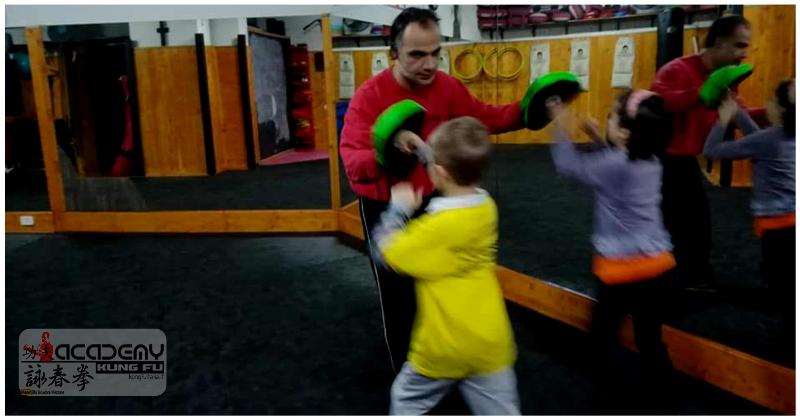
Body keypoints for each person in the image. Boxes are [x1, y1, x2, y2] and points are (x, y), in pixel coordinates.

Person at [339, 7, 523, 373]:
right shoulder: (370, 96)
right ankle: (408, 384)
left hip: (435, 198)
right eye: (417, 54)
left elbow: (482, 118)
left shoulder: (447, 86)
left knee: (439, 288)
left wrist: (528, 113)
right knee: (399, 299)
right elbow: (353, 164)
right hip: (387, 204)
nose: (429, 63)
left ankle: (444, 365)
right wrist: (389, 148)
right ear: (393, 54)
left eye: (435, 52)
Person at [371, 117, 519, 415]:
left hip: (444, 345)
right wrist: (426, 150)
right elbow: (452, 169)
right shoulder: (487, 208)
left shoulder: (434, 228)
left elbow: (385, 251)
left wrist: (398, 210)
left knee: (406, 399)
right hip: (491, 343)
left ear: (438, 173)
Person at [547, 90, 677, 412]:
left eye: (611, 116)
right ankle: (663, 398)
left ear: (624, 132)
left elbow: (568, 165)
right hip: (659, 267)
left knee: (603, 338)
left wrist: (559, 125)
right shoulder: (652, 159)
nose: (606, 119)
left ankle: (612, 401)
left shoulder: (613, 164)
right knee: (649, 339)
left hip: (622, 271)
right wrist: (597, 135)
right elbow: (620, 162)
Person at [650, 15, 765, 292]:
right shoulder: (677, 70)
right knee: (679, 224)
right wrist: (701, 93)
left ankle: (691, 277)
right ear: (718, 42)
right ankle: (668, 283)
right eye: (739, 45)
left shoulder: (728, 78)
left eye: (746, 47)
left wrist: (781, 115)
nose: (744, 53)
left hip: (685, 159)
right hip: (659, 158)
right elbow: (658, 103)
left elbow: (739, 115)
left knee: (694, 225)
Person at [703, 80, 795, 339]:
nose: (767, 105)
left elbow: (710, 150)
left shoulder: (769, 139)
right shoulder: (781, 136)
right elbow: (758, 139)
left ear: (780, 110)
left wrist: (722, 120)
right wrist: (736, 110)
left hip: (778, 227)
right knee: (785, 278)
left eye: (771, 101)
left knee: (782, 283)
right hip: (791, 222)